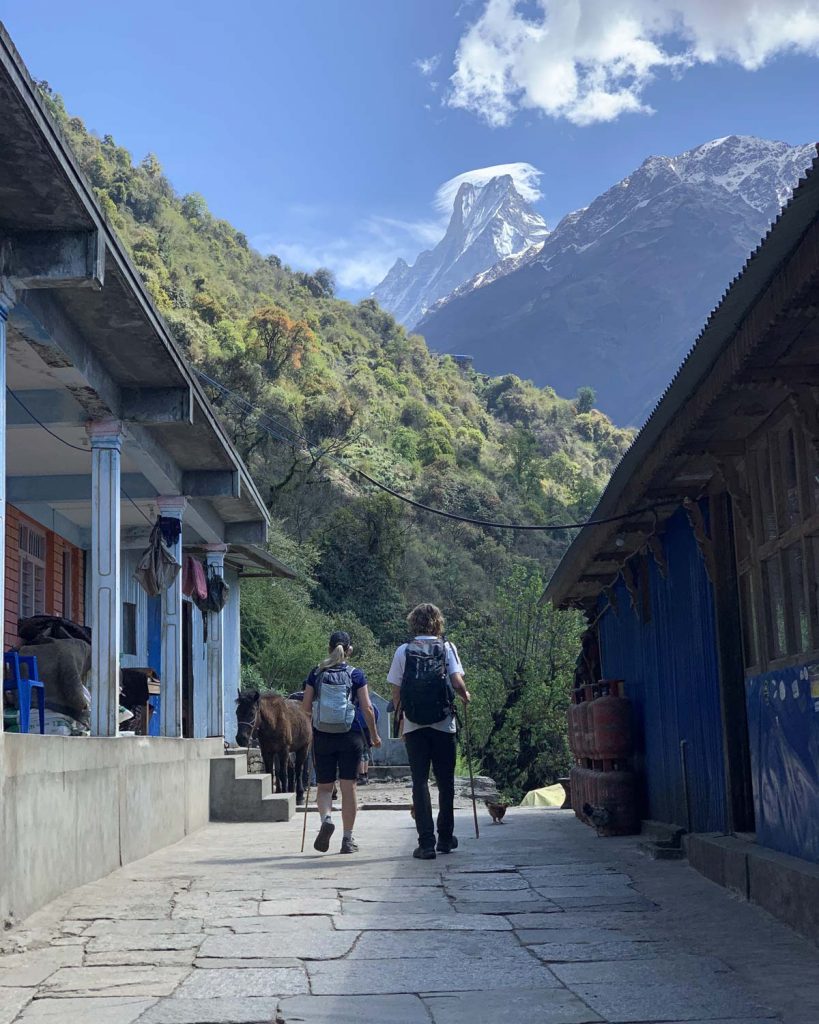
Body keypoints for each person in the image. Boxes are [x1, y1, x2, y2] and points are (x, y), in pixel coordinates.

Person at [388, 603, 470, 860]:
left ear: (413, 623)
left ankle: (426, 843)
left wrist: (401, 722)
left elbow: (396, 691)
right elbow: (456, 682)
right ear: (437, 623)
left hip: (414, 725)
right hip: (443, 724)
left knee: (419, 782)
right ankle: (445, 838)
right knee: (446, 782)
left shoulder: (403, 651)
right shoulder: (447, 648)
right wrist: (465, 695)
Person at [302, 630, 381, 854]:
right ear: (349, 651)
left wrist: (311, 734)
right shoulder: (356, 675)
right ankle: (347, 840)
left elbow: (305, 709)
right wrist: (374, 736)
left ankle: (326, 818)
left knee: (325, 787)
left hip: (323, 736)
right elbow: (366, 708)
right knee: (349, 787)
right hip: (351, 737)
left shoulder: (316, 673)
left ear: (329, 649)